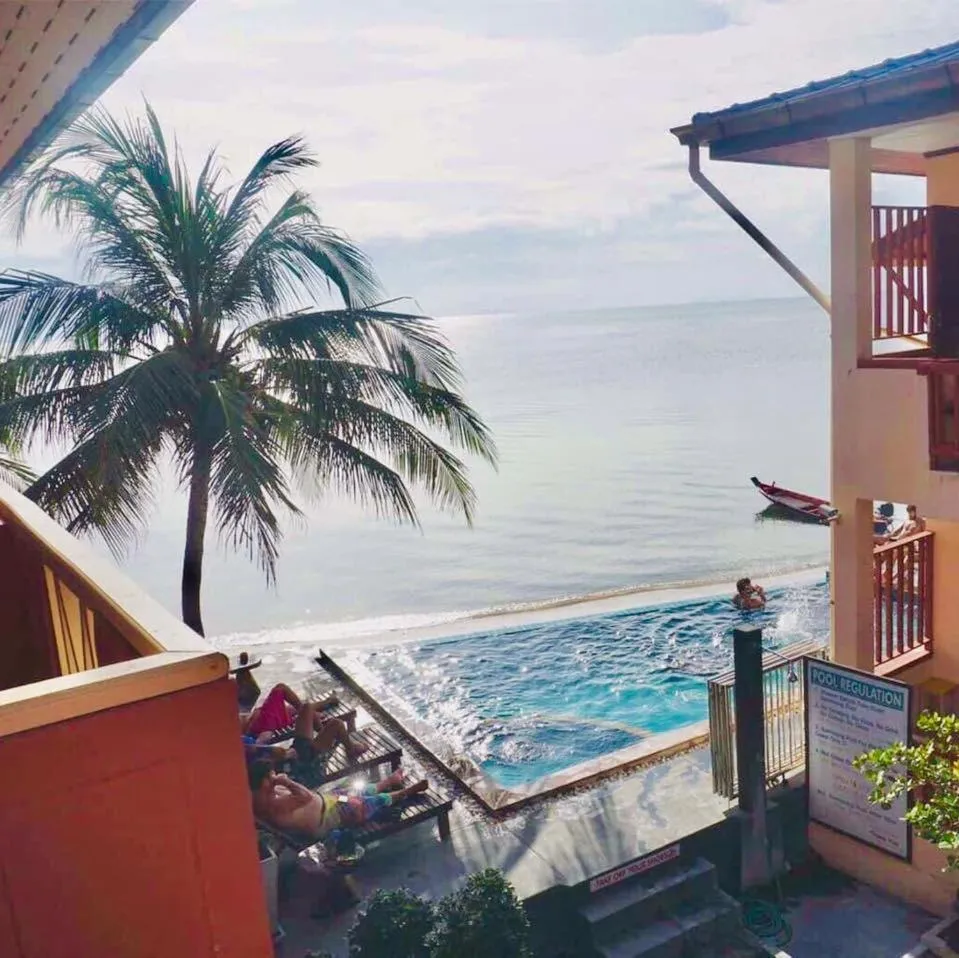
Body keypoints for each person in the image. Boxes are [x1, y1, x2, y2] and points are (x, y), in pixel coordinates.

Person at [249, 761, 429, 840]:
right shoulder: (273, 806)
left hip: (328, 803)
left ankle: (389, 781)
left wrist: (278, 783)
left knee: (353, 792)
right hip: (329, 818)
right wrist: (286, 781)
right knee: (363, 803)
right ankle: (407, 791)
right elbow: (306, 797)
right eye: (271, 776)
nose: (275, 777)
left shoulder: (264, 794)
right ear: (263, 782)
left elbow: (305, 797)